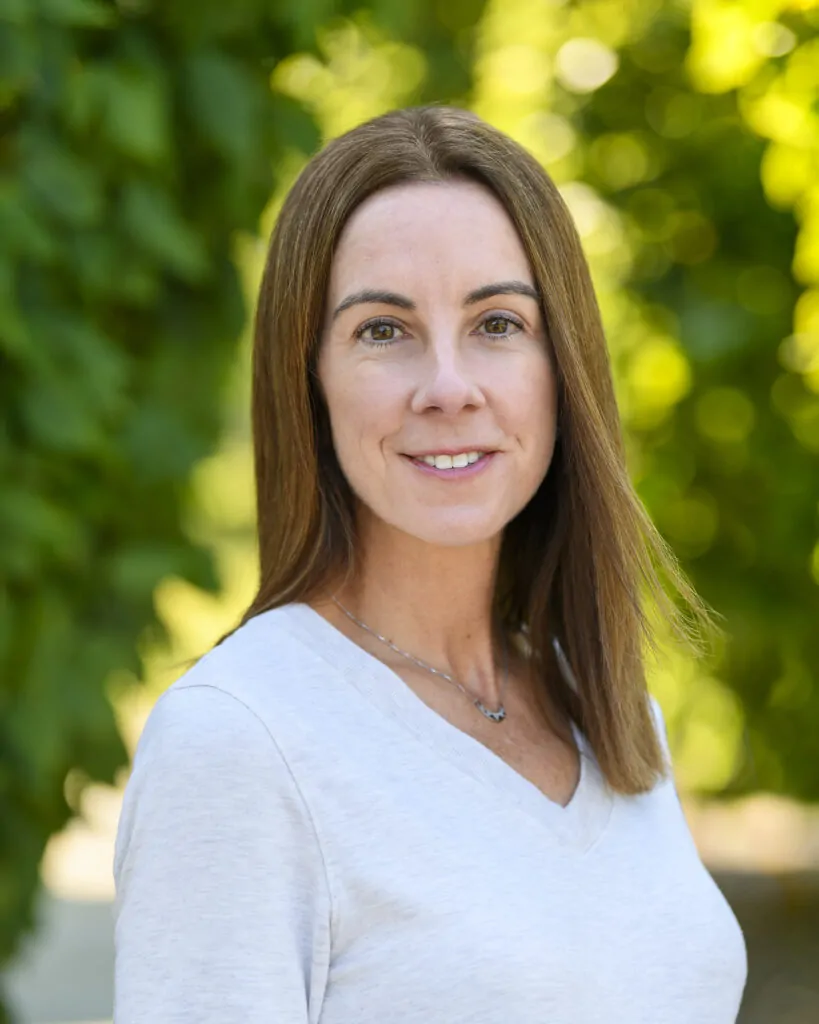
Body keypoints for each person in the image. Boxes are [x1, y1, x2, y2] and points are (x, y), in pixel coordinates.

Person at [112, 105, 748, 1022]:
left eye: (496, 323)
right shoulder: (241, 742)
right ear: (309, 379)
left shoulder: (610, 714)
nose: (448, 387)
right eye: (381, 330)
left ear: (562, 364)